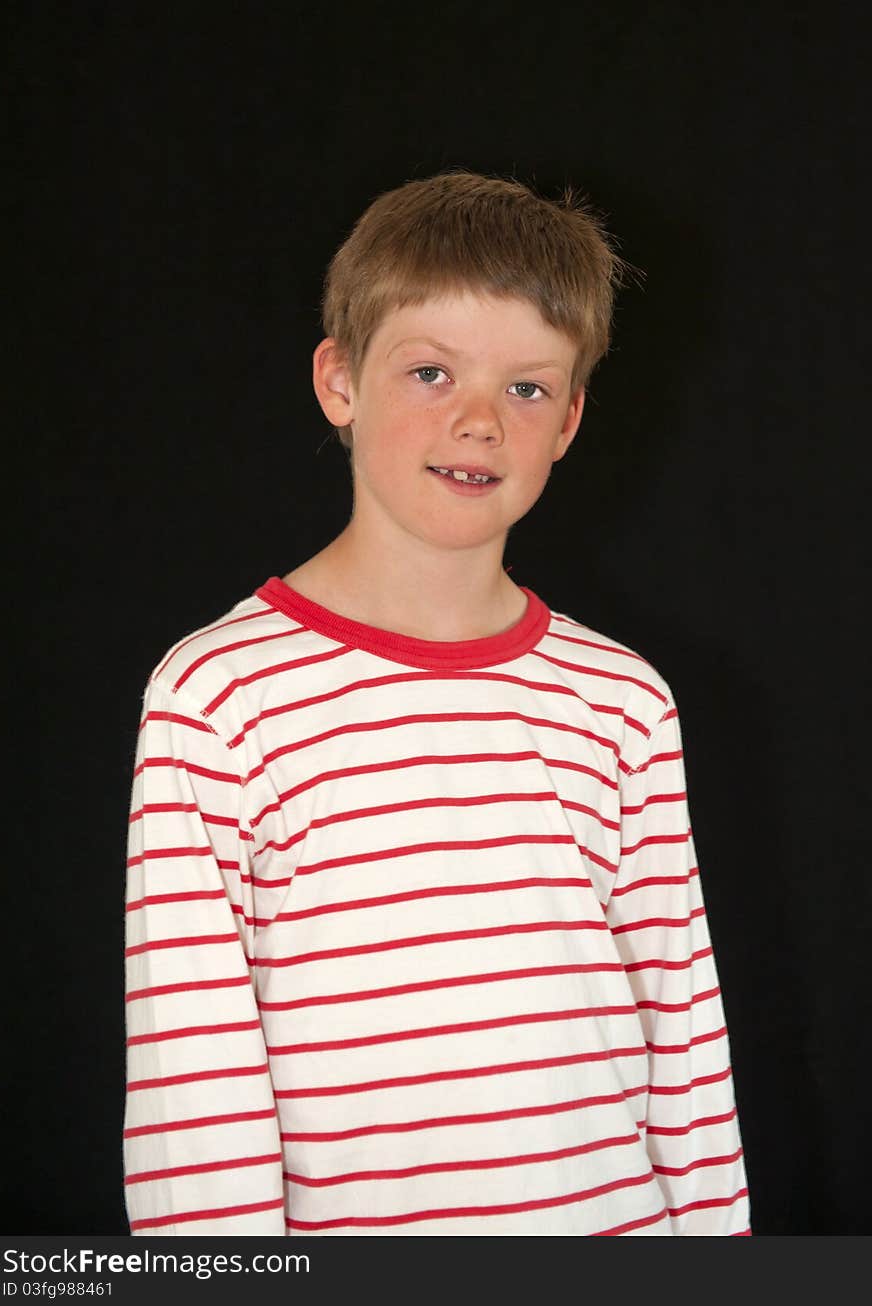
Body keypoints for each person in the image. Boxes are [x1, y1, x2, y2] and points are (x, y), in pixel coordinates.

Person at [123, 170, 750, 1236]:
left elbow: (683, 1045)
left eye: (527, 387)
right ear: (338, 382)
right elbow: (195, 1091)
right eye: (428, 371)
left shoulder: (623, 700)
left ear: (570, 419)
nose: (477, 422)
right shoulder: (217, 697)